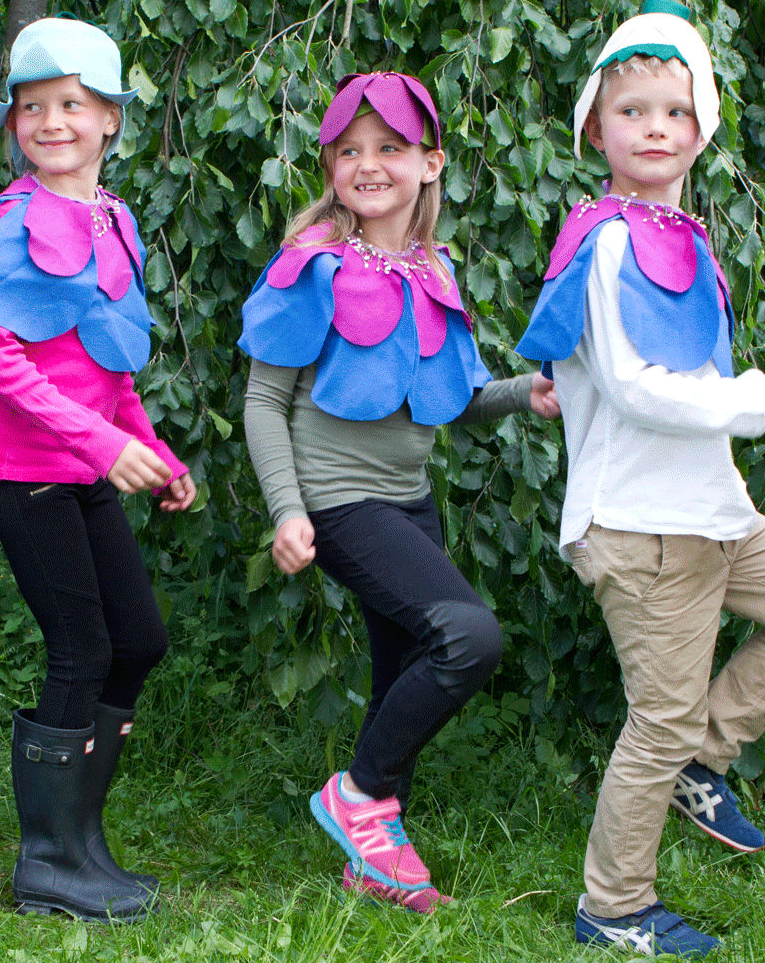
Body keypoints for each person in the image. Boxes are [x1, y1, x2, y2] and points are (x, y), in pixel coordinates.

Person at [515, 0, 765, 958]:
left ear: (702, 129)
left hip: (711, 514)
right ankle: (613, 908)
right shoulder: (611, 240)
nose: (655, 128)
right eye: (633, 111)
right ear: (596, 127)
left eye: (675, 111)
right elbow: (634, 390)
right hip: (639, 524)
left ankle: (700, 758)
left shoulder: (680, 237)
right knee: (656, 720)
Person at [239, 72, 559, 913]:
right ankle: (361, 796)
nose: (369, 164)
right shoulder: (310, 264)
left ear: (430, 163)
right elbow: (264, 401)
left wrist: (528, 393)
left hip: (407, 498)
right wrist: (287, 509)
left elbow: (455, 397)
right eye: (351, 151)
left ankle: (375, 861)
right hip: (340, 501)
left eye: (390, 148)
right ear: (330, 165)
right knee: (468, 638)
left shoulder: (432, 269)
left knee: (405, 669)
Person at [0, 16, 195, 923]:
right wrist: (104, 448)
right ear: (14, 124)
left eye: (74, 106)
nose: (52, 122)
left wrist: (156, 456)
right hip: (20, 471)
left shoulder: (114, 220)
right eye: (33, 108)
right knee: (83, 647)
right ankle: (47, 864)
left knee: (140, 642)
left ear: (113, 121)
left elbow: (109, 361)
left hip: (85, 464)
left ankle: (82, 840)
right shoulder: (12, 218)